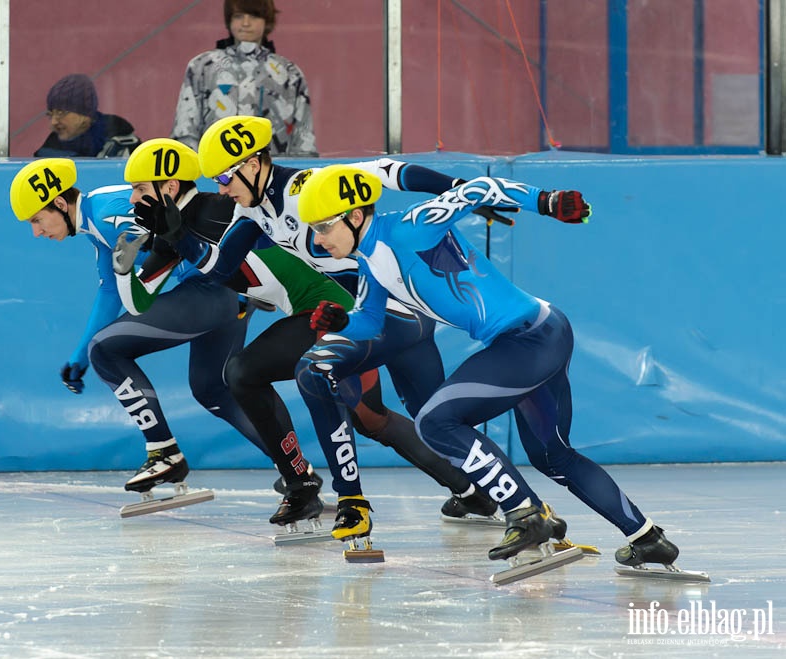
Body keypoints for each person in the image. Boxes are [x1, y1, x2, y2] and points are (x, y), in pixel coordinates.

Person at [295, 164, 683, 567]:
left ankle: (527, 515)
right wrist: (342, 323)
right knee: (553, 456)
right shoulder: (370, 261)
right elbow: (371, 320)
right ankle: (647, 537)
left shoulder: (410, 226)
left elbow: (481, 187)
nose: (318, 241)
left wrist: (545, 201)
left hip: (528, 338)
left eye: (323, 227)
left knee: (434, 421)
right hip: (538, 333)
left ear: (356, 216)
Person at [145, 115, 501, 538]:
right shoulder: (252, 212)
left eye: (224, 177)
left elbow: (385, 170)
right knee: (345, 401)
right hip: (369, 311)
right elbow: (222, 270)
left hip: (399, 307)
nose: (221, 189)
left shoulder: (305, 188)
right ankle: (436, 493)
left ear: (255, 164)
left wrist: (457, 189)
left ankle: (513, 502)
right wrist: (178, 237)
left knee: (432, 419)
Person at [117, 137, 373, 526]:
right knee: (237, 378)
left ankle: (318, 485)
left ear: (168, 187)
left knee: (372, 416)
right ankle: (303, 480)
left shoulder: (228, 208)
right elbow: (139, 302)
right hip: (301, 308)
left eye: (139, 188)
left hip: (329, 304)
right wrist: (124, 268)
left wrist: (250, 299)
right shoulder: (174, 234)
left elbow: (275, 249)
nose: (133, 198)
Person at [8, 156, 271, 493]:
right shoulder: (96, 222)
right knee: (212, 389)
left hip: (213, 289)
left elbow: (166, 246)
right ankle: (296, 471)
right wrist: (79, 357)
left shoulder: (106, 211)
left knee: (106, 348)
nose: (36, 232)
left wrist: (92, 351)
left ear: (59, 202)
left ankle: (163, 451)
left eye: (37, 220)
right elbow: (109, 292)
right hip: (226, 292)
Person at [171, 0, 317, 156]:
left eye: (254, 16)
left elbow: (303, 136)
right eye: (238, 16)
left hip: (272, 172)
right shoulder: (203, 67)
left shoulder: (289, 73)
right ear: (229, 20)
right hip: (214, 172)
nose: (246, 23)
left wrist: (301, 172)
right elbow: (185, 130)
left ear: (266, 21)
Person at [34, 74, 141, 158]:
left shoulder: (122, 142)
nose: (53, 122)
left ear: (85, 114)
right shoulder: (48, 150)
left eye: (61, 113)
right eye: (50, 114)